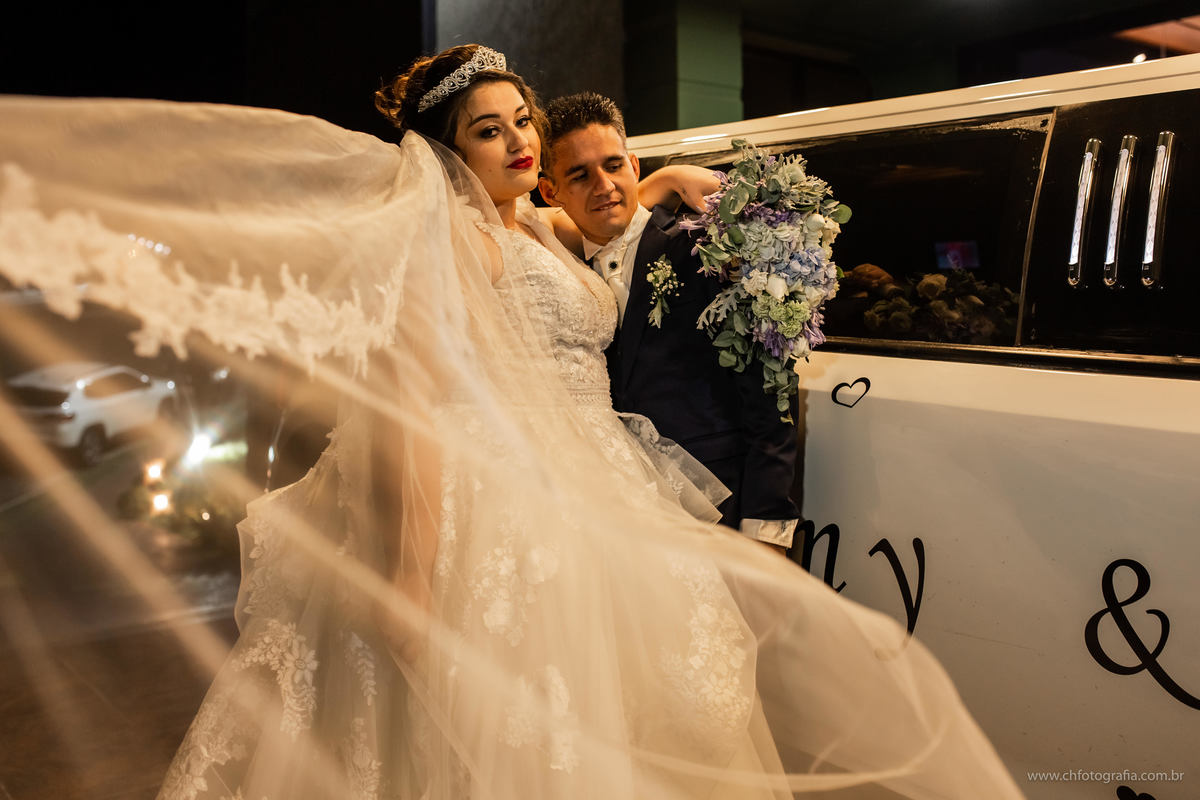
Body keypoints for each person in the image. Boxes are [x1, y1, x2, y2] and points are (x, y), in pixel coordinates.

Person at [0, 45, 1024, 800]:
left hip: (596, 485)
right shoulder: (446, 241)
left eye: (522, 119)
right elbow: (415, 404)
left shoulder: (532, 224)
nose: (522, 140)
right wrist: (409, 576)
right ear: (445, 154)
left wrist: (661, 182)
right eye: (489, 130)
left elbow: (588, 221)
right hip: (501, 506)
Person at [538, 93, 800, 551]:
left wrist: (767, 527)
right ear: (550, 192)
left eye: (613, 165)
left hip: (717, 501)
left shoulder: (705, 248)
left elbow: (770, 392)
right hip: (615, 512)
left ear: (634, 166)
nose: (604, 186)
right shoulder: (558, 267)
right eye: (580, 175)